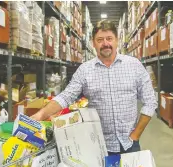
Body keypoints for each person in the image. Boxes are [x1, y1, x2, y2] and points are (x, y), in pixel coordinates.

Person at [32, 20, 157, 155]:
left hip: (129, 144)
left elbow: (150, 102)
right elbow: (66, 96)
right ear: (93, 43)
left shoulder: (134, 66)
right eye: (100, 40)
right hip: (98, 145)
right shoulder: (85, 70)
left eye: (109, 38)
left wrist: (136, 135)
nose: (105, 44)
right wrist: (40, 115)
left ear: (117, 40)